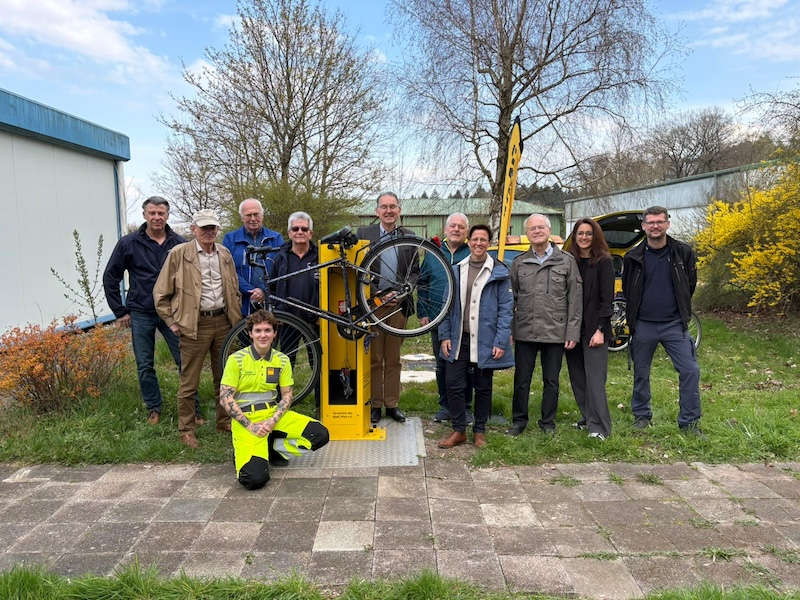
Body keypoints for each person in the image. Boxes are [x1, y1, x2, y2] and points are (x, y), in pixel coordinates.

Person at [154, 209, 242, 448]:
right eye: (203, 228)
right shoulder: (179, 254)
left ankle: (224, 421)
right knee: (189, 380)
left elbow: (233, 288)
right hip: (194, 325)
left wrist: (236, 317)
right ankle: (187, 429)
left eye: (212, 227)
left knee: (225, 377)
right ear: (194, 229)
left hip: (224, 323)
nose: (208, 232)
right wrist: (172, 322)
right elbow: (161, 293)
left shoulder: (224, 253)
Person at [219, 310, 329, 490]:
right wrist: (251, 426)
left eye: (267, 330)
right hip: (246, 420)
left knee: (320, 434)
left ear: (274, 333)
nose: (263, 335)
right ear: (250, 333)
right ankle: (248, 450)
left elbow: (287, 395)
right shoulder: (236, 360)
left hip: (272, 414)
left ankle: (273, 447)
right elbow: (225, 398)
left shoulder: (282, 360)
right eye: (258, 330)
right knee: (253, 480)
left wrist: (271, 422)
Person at [102, 196, 187, 425]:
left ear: (167, 215)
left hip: (172, 313)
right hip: (141, 312)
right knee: (145, 363)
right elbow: (111, 276)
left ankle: (192, 409)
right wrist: (119, 311)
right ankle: (154, 408)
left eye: (161, 213)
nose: (157, 217)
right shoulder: (128, 243)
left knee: (185, 361)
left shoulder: (179, 243)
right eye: (152, 213)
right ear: (144, 215)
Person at [622, 206, 702, 433]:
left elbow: (690, 285)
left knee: (690, 371)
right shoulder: (633, 257)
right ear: (643, 226)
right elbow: (629, 290)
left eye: (660, 221)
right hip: (644, 325)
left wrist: (681, 311)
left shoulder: (682, 252)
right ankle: (642, 416)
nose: (655, 226)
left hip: (674, 325)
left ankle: (689, 422)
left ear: (667, 223)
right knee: (641, 373)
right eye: (651, 222)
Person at [437, 225, 514, 448]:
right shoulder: (455, 269)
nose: (478, 243)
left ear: (488, 243)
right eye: (475, 239)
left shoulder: (499, 271)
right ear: (468, 241)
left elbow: (506, 310)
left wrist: (500, 341)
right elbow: (446, 305)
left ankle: (479, 431)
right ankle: (459, 430)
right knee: (454, 384)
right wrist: (444, 336)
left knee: (483, 386)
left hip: (485, 340)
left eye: (483, 239)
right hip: (458, 338)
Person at [508, 213, 582, 436]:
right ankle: (519, 421)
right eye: (532, 229)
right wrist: (511, 329)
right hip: (525, 332)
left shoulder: (567, 262)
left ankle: (547, 422)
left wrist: (572, 332)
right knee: (521, 380)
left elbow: (575, 300)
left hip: (555, 332)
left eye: (541, 227)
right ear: (527, 234)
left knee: (551, 380)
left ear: (549, 231)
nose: (537, 231)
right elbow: (512, 299)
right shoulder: (519, 263)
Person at [357, 192, 417, 426]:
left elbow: (414, 272)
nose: (389, 211)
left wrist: (401, 293)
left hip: (398, 306)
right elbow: (358, 268)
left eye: (393, 207)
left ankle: (392, 404)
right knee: (374, 358)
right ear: (377, 211)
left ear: (399, 210)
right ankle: (375, 404)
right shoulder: (364, 235)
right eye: (384, 207)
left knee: (393, 358)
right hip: (373, 305)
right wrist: (377, 294)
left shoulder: (408, 237)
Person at [418, 212, 473, 424]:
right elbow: (422, 284)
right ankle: (445, 406)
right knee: (441, 363)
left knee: (464, 365)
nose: (456, 229)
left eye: (461, 226)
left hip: (463, 319)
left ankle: (465, 407)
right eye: (453, 226)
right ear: (446, 229)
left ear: (466, 231)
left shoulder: (471, 253)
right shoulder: (433, 253)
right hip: (437, 317)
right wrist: (422, 311)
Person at [565, 218, 614, 440]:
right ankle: (587, 418)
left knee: (595, 380)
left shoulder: (604, 262)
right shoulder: (570, 261)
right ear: (574, 237)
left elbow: (607, 299)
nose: (584, 237)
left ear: (595, 237)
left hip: (595, 329)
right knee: (578, 378)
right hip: (573, 329)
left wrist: (601, 329)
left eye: (588, 233)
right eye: (580, 233)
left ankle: (600, 427)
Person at [223, 198, 283, 316]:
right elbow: (228, 271)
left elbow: (281, 269)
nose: (253, 219)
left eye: (256, 214)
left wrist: (263, 290)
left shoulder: (276, 238)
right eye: (248, 215)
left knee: (269, 333)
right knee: (245, 333)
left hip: (270, 300)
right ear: (242, 217)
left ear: (262, 215)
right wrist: (250, 291)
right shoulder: (230, 239)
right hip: (242, 302)